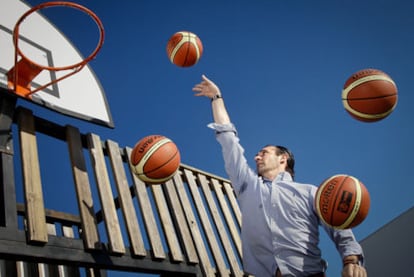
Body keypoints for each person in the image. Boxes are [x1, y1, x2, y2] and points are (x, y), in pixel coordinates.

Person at [192, 74, 367, 277]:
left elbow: (340, 229)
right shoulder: (247, 185)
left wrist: (351, 261)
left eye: (263, 153)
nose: (256, 157)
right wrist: (216, 98)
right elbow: (229, 140)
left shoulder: (311, 192)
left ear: (283, 159)